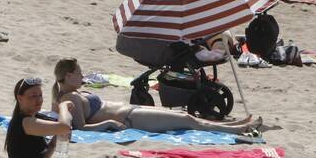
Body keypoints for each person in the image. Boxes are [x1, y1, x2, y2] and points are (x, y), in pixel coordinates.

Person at [5, 77, 183, 158]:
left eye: (39, 95)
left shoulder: (32, 119)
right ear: (19, 98)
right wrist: (63, 107)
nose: (38, 100)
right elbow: (65, 126)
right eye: (32, 96)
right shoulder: (26, 122)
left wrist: (53, 142)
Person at [51, 59, 259, 134]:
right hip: (130, 119)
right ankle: (237, 129)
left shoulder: (71, 94)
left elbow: (56, 113)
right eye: (79, 73)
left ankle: (235, 126)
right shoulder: (71, 98)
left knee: (182, 116)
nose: (82, 75)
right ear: (68, 76)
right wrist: (108, 124)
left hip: (131, 112)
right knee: (186, 120)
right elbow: (79, 127)